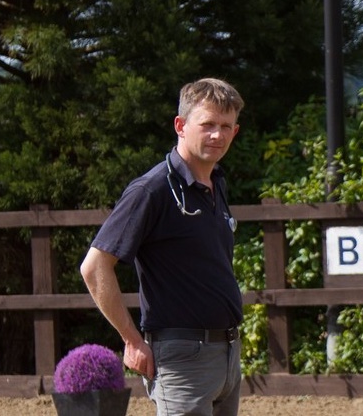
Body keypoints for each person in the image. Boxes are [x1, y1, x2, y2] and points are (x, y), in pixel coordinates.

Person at [80, 78, 245, 416]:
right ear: (181, 126)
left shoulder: (216, 185)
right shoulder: (152, 190)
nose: (217, 134)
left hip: (227, 353)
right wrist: (131, 339)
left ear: (235, 131)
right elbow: (94, 267)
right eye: (208, 124)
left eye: (225, 126)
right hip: (182, 359)